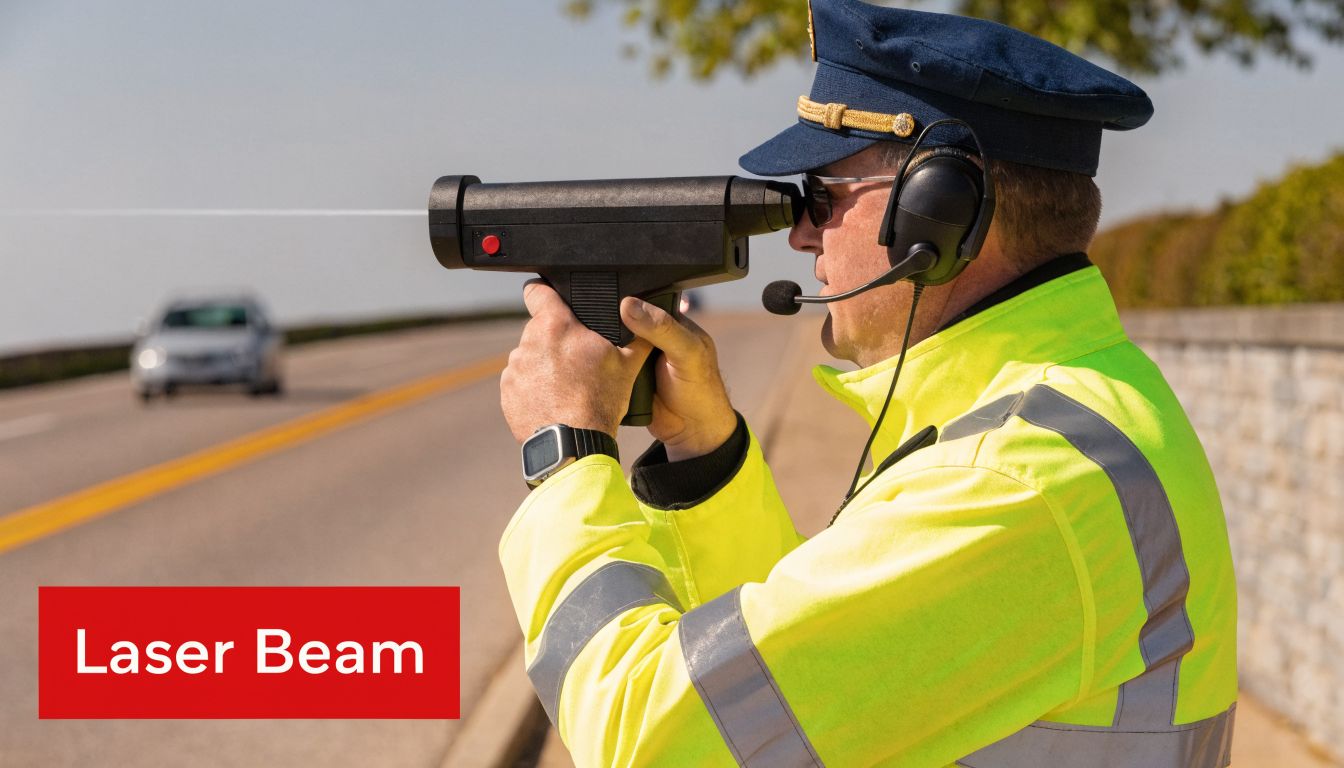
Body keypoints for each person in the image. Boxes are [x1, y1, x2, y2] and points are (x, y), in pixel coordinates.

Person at [496, 0, 1238, 764]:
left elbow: (653, 740)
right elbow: (785, 675)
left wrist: (565, 449)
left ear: (940, 212)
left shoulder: (1016, 484)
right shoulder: (1057, 412)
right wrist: (704, 457)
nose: (800, 234)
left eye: (823, 198)